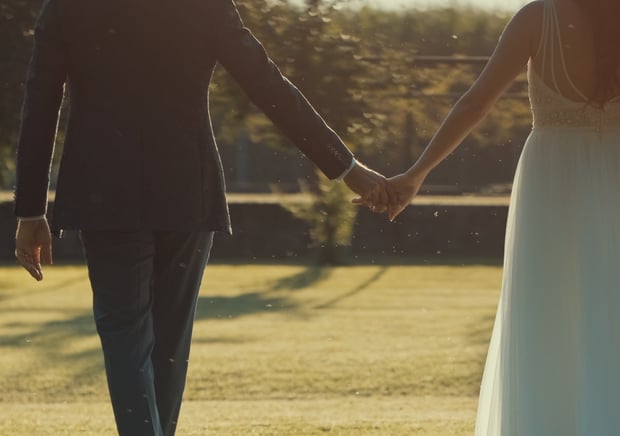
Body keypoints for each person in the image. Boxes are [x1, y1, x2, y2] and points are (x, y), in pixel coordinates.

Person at [13, 0, 389, 434]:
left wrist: (30, 210)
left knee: (125, 339)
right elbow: (267, 83)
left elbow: (40, 100)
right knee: (168, 346)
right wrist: (347, 168)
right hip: (186, 190)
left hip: (106, 194)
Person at [374, 0, 620, 434]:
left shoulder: (538, 17)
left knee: (552, 305)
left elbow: (477, 103)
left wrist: (417, 174)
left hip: (555, 174)